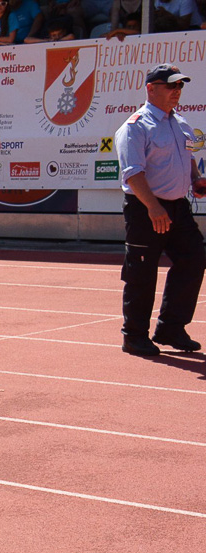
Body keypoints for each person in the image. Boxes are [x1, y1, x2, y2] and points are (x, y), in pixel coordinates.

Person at [115, 64, 206, 355]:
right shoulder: (135, 126)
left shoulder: (180, 123)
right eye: (170, 86)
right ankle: (134, 335)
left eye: (180, 86)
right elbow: (133, 173)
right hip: (146, 209)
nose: (176, 91)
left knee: (194, 258)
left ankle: (171, 328)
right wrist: (153, 207)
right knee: (141, 271)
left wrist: (196, 179)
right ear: (151, 89)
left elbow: (188, 158)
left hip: (178, 208)